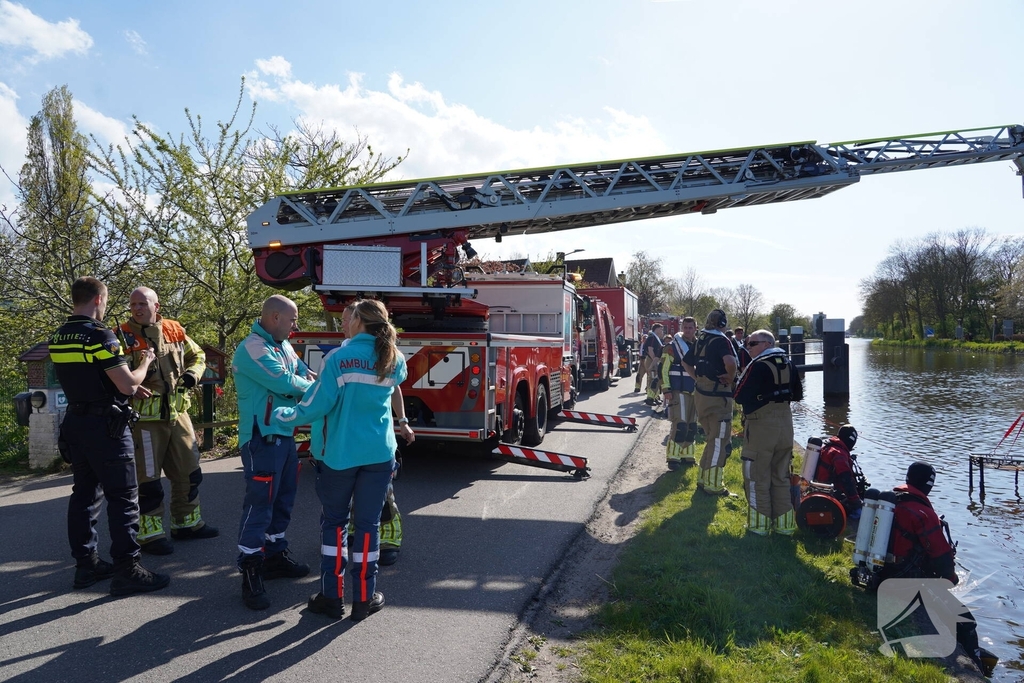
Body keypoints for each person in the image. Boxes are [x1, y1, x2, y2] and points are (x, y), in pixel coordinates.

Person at [273, 299, 414, 621]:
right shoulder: (395, 358)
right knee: (368, 526)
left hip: (340, 455)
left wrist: (284, 416)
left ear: (360, 321)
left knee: (334, 525)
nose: (344, 323)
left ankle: (332, 597)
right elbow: (392, 393)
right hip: (379, 454)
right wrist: (403, 422)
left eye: (348, 319)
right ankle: (364, 600)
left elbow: (317, 405)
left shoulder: (339, 358)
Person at [49, 276, 170, 595]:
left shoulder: (59, 336)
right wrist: (144, 363)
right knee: (124, 497)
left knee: (84, 496)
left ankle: (85, 566)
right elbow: (128, 385)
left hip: (75, 423)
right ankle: (127, 569)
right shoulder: (99, 334)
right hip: (107, 428)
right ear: (99, 300)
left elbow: (89, 376)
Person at [232, 295, 315, 610]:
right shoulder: (253, 347)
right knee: (259, 506)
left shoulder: (284, 346)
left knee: (283, 501)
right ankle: (250, 571)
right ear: (275, 317)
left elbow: (304, 376)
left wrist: (318, 385)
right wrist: (316, 389)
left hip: (283, 436)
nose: (296, 326)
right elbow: (285, 383)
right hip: (260, 438)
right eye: (293, 319)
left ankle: (275, 556)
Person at [120, 287, 217, 555]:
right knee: (148, 480)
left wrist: (192, 376)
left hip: (179, 415)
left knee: (190, 472)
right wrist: (129, 386)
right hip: (145, 422)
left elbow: (198, 356)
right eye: (133, 304)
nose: (137, 308)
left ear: (156, 306)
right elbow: (112, 372)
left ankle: (187, 524)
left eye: (142, 303)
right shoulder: (121, 335)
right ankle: (149, 535)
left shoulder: (174, 329)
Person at [883, 462, 997, 677]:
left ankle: (961, 647)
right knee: (966, 620)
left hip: (882, 575)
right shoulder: (923, 513)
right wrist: (950, 579)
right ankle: (977, 671)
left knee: (945, 608)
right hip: (906, 584)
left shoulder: (892, 501)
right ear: (929, 484)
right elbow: (942, 559)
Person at [733, 330, 804, 535]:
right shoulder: (789, 363)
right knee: (781, 475)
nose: (749, 348)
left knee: (756, 475)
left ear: (766, 344)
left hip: (761, 425)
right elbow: (798, 394)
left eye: (752, 343)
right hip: (785, 424)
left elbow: (739, 395)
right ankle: (784, 526)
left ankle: (759, 526)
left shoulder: (757, 365)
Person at [681, 309, 738, 495]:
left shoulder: (702, 339)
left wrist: (696, 378)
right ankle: (714, 486)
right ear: (722, 323)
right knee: (720, 441)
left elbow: (686, 362)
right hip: (717, 397)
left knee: (711, 439)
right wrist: (730, 377)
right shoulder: (722, 341)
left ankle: (702, 479)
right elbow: (731, 362)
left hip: (701, 395)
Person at [660, 323, 697, 470]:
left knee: (692, 426)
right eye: (685, 327)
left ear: (695, 328)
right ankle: (673, 458)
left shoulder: (699, 345)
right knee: (680, 425)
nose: (688, 330)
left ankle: (688, 455)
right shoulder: (672, 347)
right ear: (682, 329)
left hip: (695, 390)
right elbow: (663, 368)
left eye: (691, 328)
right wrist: (666, 389)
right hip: (677, 390)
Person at [813, 424, 863, 519]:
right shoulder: (839, 454)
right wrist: (856, 502)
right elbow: (846, 479)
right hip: (828, 493)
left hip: (819, 488)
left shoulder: (829, 447)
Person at [637, 324, 664, 405]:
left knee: (656, 379)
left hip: (653, 360)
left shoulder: (655, 338)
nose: (662, 331)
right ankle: (650, 398)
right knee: (652, 379)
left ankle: (655, 397)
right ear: (657, 329)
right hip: (651, 360)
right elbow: (650, 350)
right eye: (661, 329)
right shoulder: (652, 338)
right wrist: (654, 362)